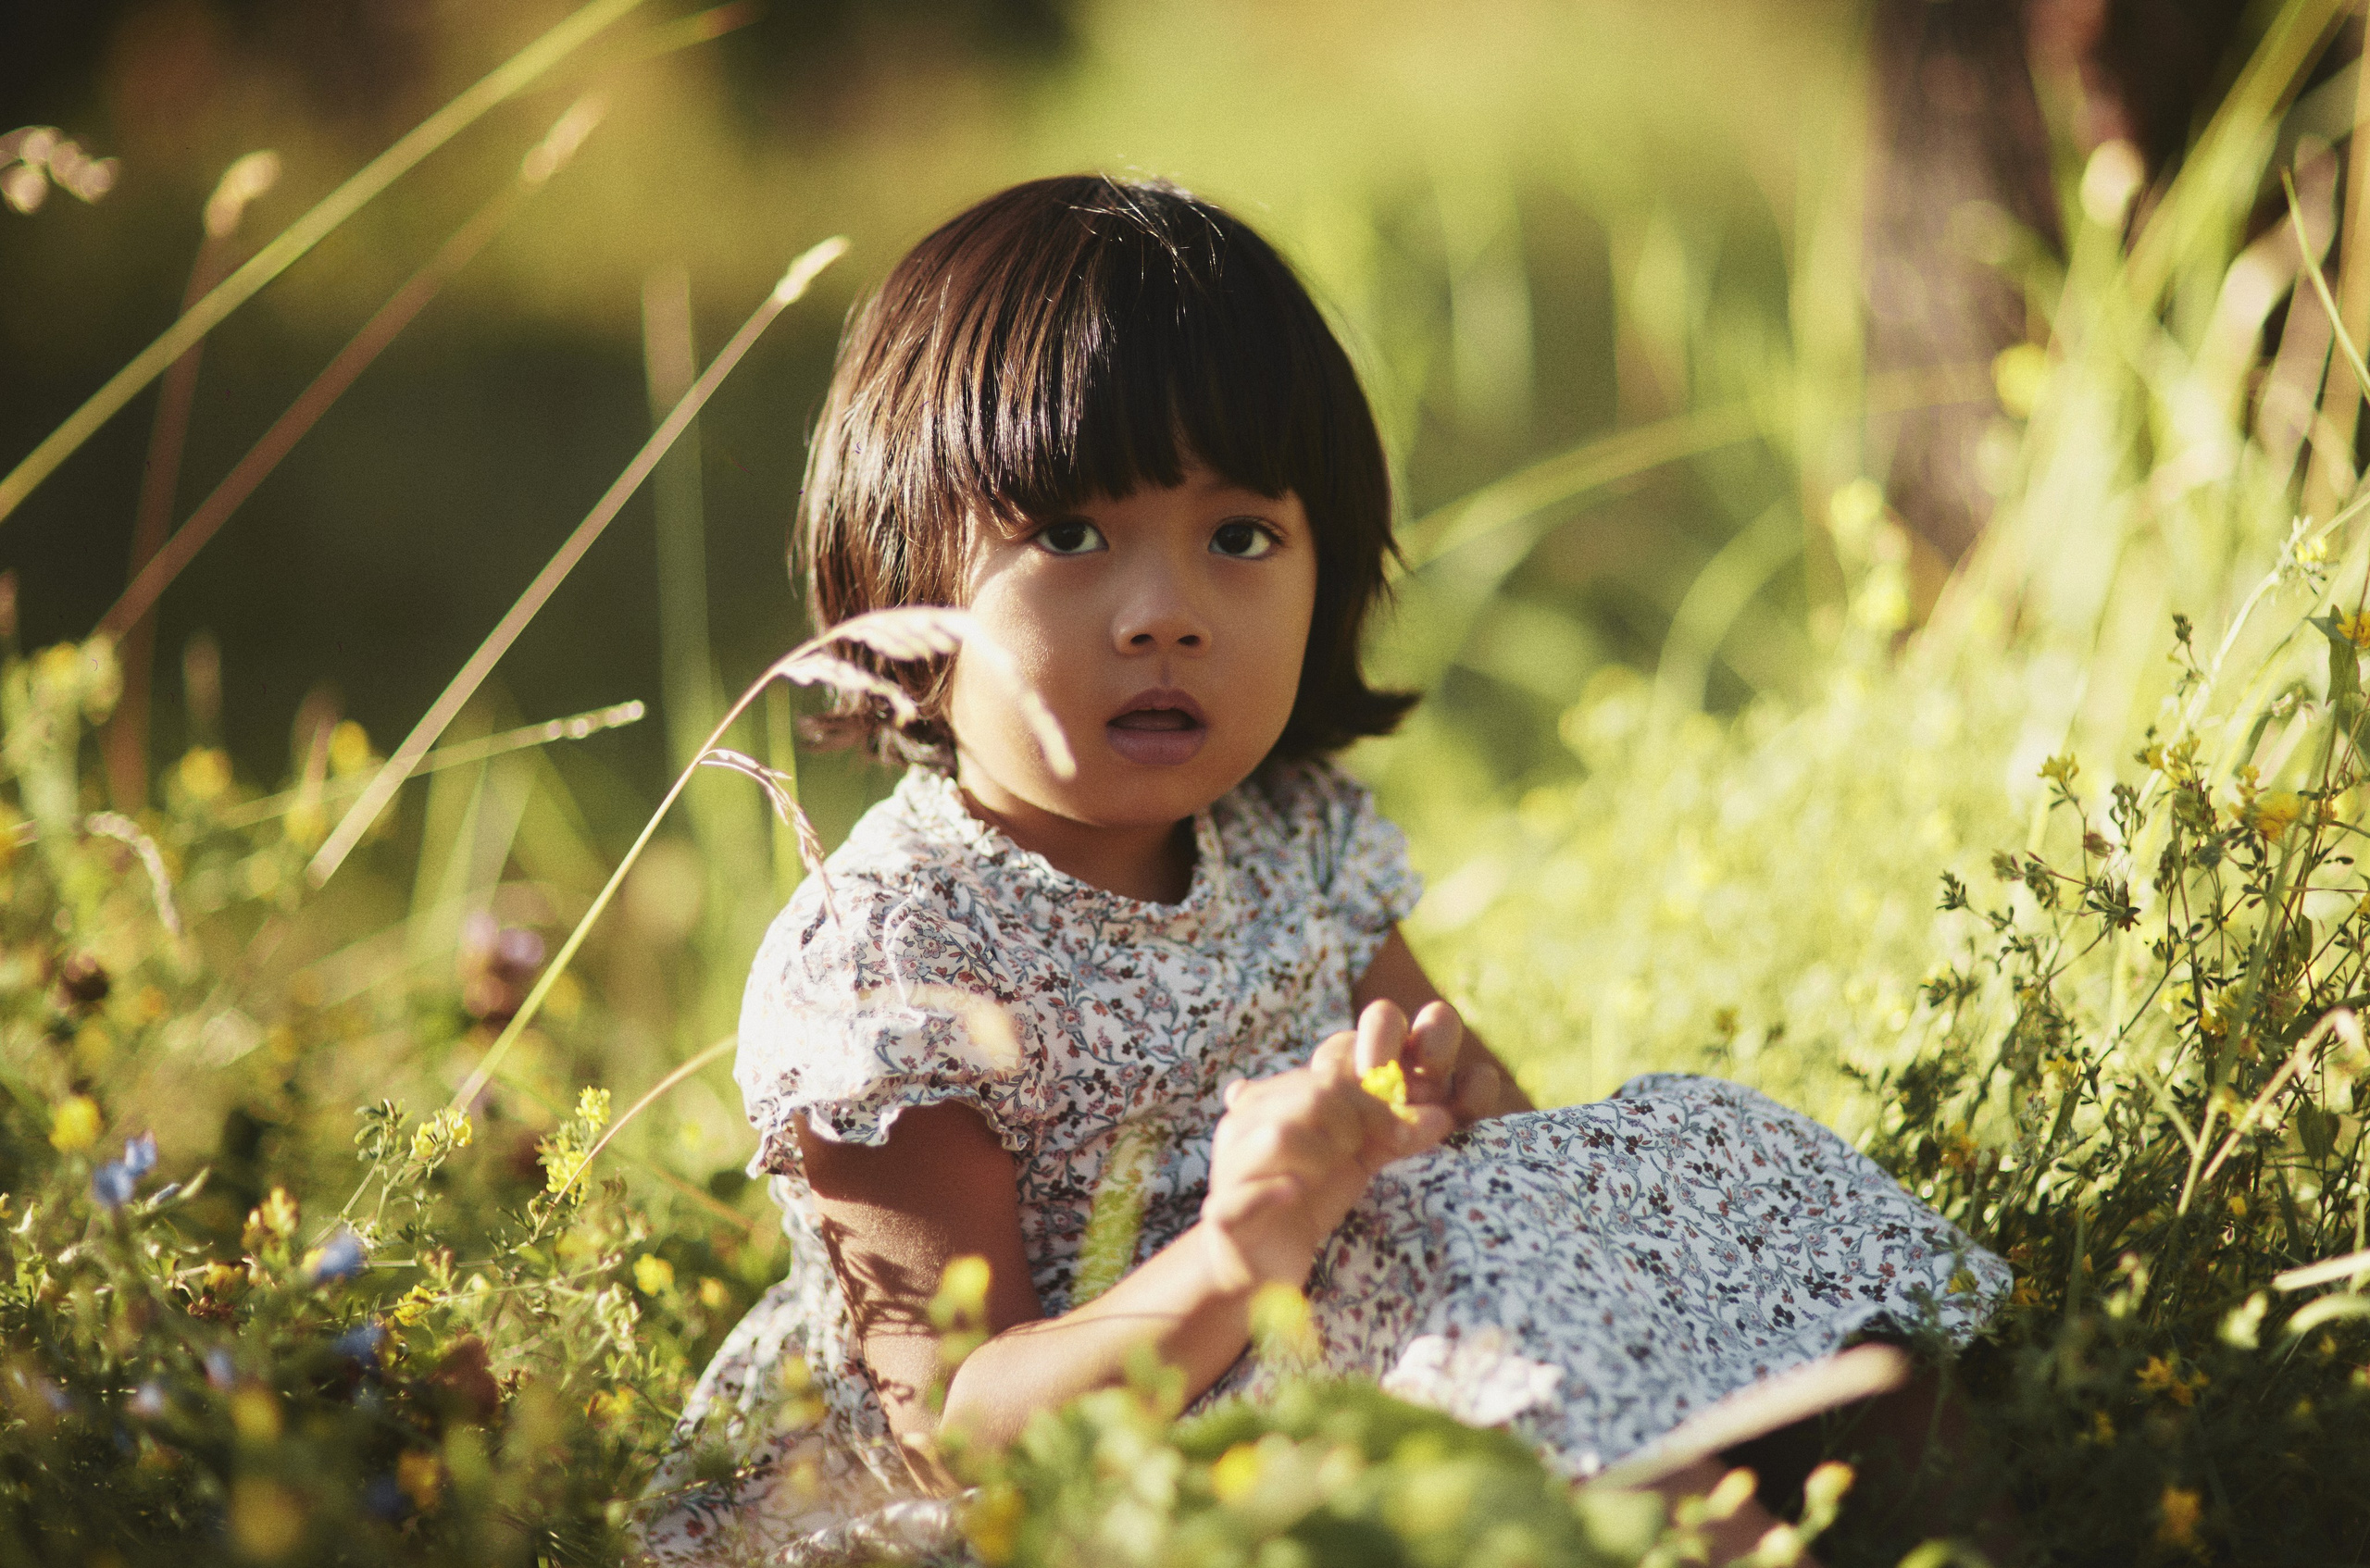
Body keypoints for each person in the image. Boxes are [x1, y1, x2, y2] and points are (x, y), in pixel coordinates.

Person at [641, 174, 2009, 1567]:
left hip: (1320, 1342)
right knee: (1456, 1297)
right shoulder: (895, 952)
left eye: (1241, 537)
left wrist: (1448, 1114)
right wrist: (1242, 1254)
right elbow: (962, 1430)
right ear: (899, 579)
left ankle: (1992, 1507)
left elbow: (1491, 1140)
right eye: (1068, 536)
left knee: (1678, 1158)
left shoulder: (1294, 833)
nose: (1164, 614)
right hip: (1082, 1477)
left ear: (1326, 572)